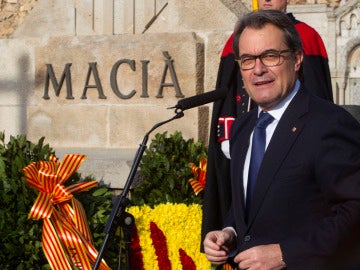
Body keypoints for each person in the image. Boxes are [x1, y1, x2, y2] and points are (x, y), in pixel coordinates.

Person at [203, 9, 360, 270]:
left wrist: (287, 253)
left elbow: (355, 208)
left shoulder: (329, 123)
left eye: (270, 56)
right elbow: (250, 203)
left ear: (297, 59)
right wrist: (229, 232)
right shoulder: (243, 128)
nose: (258, 69)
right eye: (248, 60)